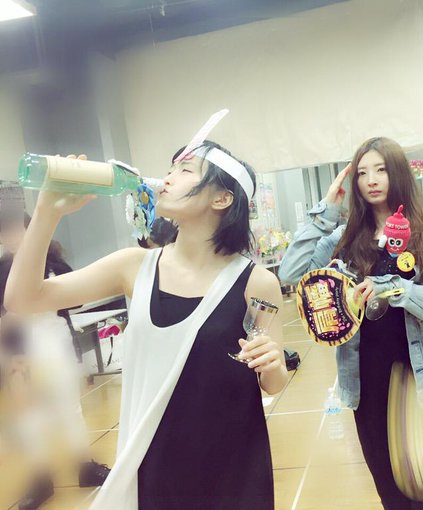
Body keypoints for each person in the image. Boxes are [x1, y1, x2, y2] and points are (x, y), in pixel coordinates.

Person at [5, 143, 288, 510]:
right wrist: (47, 212)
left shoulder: (256, 282)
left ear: (222, 198)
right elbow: (22, 299)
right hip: (156, 460)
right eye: (171, 168)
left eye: (186, 170)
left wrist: (272, 362)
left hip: (234, 464)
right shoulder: (134, 266)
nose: (168, 178)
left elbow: (273, 382)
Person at [279, 137, 423, 509]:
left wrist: (397, 289)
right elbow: (291, 272)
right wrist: (326, 210)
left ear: (397, 173)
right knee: (390, 494)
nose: (371, 180)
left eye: (380, 169)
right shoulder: (344, 238)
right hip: (366, 384)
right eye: (362, 173)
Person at [0, 213, 110, 510]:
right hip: (20, 354)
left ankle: (85, 467)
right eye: (4, 232)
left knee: (70, 409)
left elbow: (78, 298)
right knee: (29, 418)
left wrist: (46, 293)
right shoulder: (2, 270)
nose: (9, 237)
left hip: (56, 345)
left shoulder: (54, 264)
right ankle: (41, 480)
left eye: (15, 230)